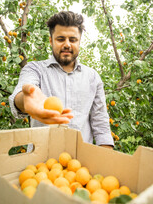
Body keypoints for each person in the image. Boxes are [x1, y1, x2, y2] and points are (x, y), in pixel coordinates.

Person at [9, 11, 114, 149]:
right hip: (40, 162)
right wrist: (27, 100)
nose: (67, 44)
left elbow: (100, 123)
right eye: (60, 39)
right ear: (51, 40)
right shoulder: (35, 69)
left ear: (79, 41)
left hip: (79, 165)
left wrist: (106, 159)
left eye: (72, 39)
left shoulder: (92, 77)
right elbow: (21, 95)